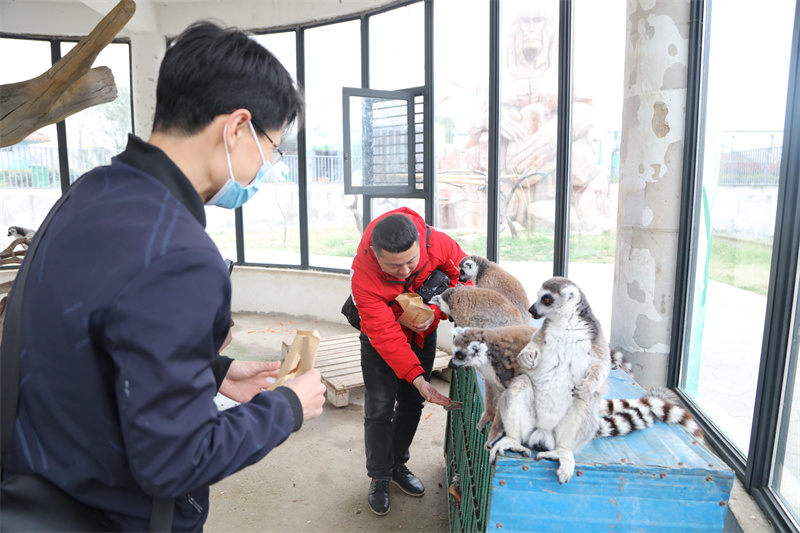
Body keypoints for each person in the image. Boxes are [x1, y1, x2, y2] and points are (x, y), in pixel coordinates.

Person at [0, 21, 326, 532]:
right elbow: (174, 462)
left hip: (37, 490)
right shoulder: (182, 255)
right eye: (272, 147)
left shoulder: (89, 192)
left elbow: (89, 340)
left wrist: (213, 371)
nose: (267, 165)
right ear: (236, 127)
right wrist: (286, 408)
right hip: (111, 514)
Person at [349, 207, 468, 516]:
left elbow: (465, 281)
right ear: (375, 254)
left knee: (413, 403)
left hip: (422, 334)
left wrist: (436, 314)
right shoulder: (363, 275)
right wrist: (417, 376)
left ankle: (398, 464)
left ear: (420, 242)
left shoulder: (438, 243)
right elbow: (384, 334)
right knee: (379, 408)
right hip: (380, 342)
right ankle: (379, 475)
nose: (404, 272)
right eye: (393, 266)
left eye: (411, 263)